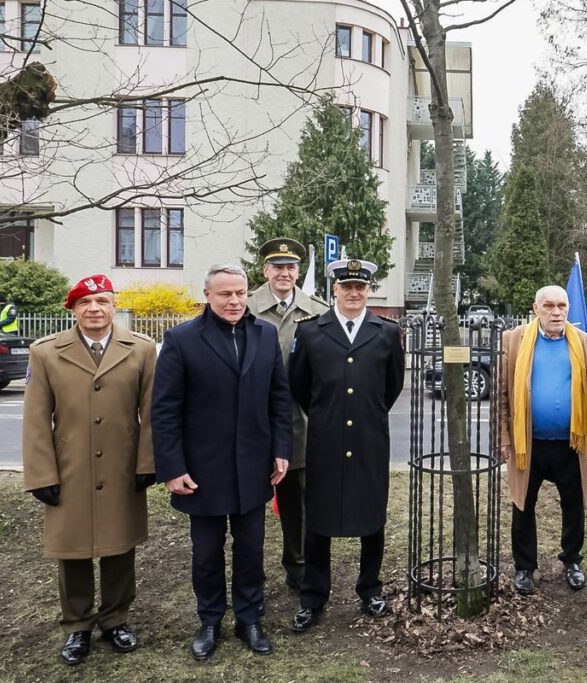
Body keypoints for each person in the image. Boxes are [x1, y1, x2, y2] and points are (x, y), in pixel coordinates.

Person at [152, 264, 292, 660]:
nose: (234, 301)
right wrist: (172, 467)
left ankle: (250, 618)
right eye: (225, 294)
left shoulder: (264, 335)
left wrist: (282, 450)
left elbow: (278, 399)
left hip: (254, 467)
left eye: (241, 293)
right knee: (207, 552)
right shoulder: (181, 339)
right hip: (202, 471)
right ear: (207, 296)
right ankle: (210, 619)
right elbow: (165, 410)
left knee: (251, 549)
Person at [22, 275, 157, 665]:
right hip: (70, 467)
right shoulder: (45, 352)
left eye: (101, 301)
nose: (94, 308)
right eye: (85, 303)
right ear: (74, 310)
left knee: (120, 545)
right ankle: (77, 626)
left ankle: (116, 619)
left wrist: (147, 462)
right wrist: (42, 475)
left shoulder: (142, 349)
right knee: (73, 550)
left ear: (114, 306)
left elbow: (150, 413)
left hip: (121, 465)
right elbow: (35, 419)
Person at [289, 258, 405, 632]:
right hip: (324, 441)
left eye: (361, 287)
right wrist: (328, 416)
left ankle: (370, 588)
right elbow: (300, 387)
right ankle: (313, 596)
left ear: (368, 290)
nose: (353, 293)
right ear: (334, 290)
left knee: (372, 517)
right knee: (318, 520)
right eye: (346, 287)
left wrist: (366, 414)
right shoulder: (310, 332)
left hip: (370, 441)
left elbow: (392, 385)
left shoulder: (386, 332)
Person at [498, 285, 587, 595]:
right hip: (528, 443)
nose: (556, 312)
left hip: (571, 443)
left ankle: (572, 559)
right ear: (536, 308)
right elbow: (501, 394)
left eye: (562, 306)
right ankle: (525, 567)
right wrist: (503, 438)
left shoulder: (584, 343)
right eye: (549, 306)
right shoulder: (514, 340)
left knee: (574, 504)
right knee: (523, 504)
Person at [247, 238, 329, 593]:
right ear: (265, 271)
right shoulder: (246, 306)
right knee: (248, 502)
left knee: (300, 497)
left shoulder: (317, 309)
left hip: (301, 419)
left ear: (297, 272)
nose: (284, 273)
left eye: (290, 267)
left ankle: (299, 565)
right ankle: (250, 573)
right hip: (252, 417)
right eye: (277, 267)